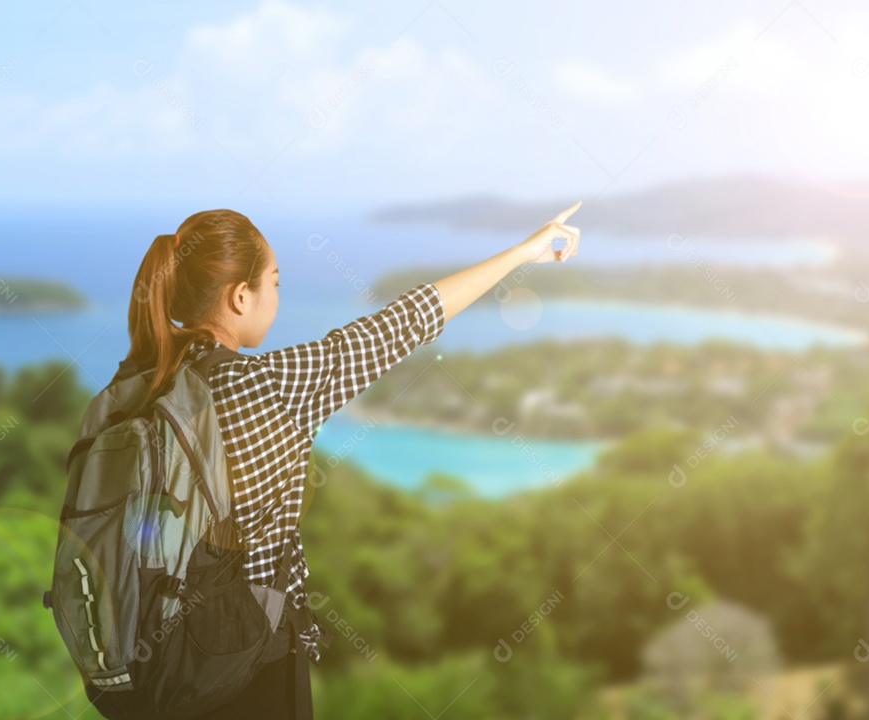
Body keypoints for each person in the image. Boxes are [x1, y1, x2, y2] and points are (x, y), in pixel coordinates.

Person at [122, 200, 582, 719]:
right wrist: (522, 252)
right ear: (240, 295)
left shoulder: (135, 387)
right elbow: (404, 322)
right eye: (274, 283)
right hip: (247, 667)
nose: (276, 296)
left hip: (151, 669)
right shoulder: (267, 387)